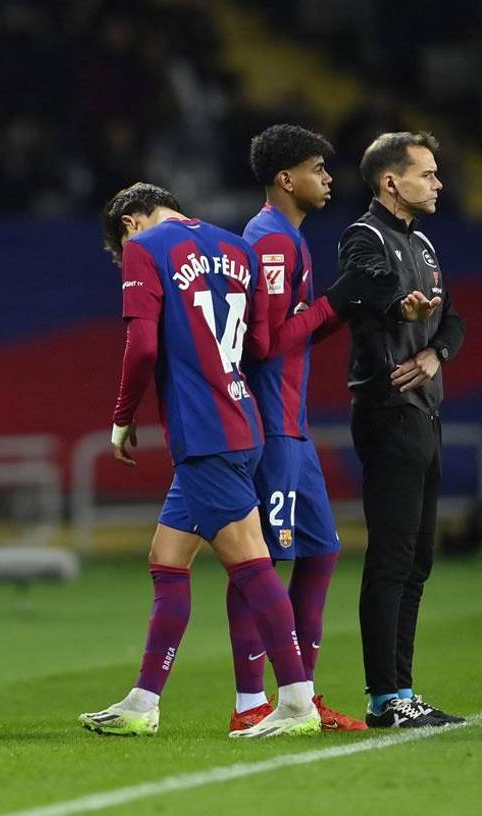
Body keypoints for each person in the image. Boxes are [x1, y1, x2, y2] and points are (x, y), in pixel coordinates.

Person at [79, 182, 320, 739]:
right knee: (167, 560)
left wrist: (123, 415)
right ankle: (142, 703)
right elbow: (259, 342)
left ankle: (297, 701)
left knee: (252, 567)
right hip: (242, 417)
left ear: (130, 222)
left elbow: (141, 346)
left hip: (205, 433)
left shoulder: (145, 248)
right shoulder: (237, 248)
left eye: (122, 239)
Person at [228, 124, 367, 732]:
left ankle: (302, 700)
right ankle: (250, 704)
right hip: (270, 422)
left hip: (294, 425)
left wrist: (345, 307)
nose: (328, 178)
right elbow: (262, 343)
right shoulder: (273, 244)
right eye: (318, 168)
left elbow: (293, 331)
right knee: (262, 560)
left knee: (321, 551)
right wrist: (335, 303)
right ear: (286, 179)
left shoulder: (284, 238)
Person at [334, 132, 465, 728]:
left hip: (425, 409)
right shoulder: (364, 236)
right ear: (392, 181)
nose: (438, 184)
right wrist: (399, 308)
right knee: (391, 559)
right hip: (388, 410)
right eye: (428, 174)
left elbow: (454, 319)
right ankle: (385, 696)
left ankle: (402, 691)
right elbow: (366, 293)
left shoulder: (425, 244)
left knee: (418, 559)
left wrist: (436, 349)